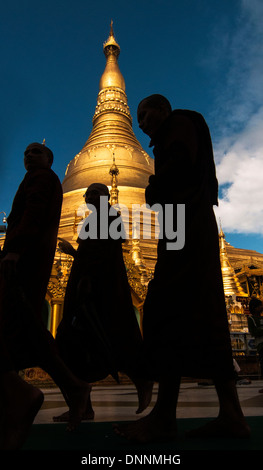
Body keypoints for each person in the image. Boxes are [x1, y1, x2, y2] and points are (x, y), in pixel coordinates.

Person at [114, 94, 250, 442]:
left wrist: (153, 189)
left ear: (164, 109)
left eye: (146, 114)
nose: (142, 122)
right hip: (184, 226)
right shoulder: (175, 133)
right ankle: (230, 414)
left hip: (184, 228)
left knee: (165, 311)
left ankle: (165, 416)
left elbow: (175, 177)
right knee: (201, 317)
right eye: (139, 117)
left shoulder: (178, 126)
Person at [0, 142, 89, 432]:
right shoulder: (42, 179)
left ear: (51, 161)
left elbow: (34, 214)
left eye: (36, 152)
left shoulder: (41, 179)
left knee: (19, 324)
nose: (28, 155)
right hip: (32, 260)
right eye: (25, 152)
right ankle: (72, 388)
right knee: (28, 330)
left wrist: (13, 248)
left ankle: (25, 395)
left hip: (23, 260)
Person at [54, 183, 153, 422]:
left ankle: (141, 379)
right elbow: (93, 253)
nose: (89, 196)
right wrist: (74, 254)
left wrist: (87, 279)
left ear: (107, 196)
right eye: (87, 193)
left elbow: (102, 255)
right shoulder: (96, 219)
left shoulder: (109, 217)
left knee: (108, 337)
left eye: (96, 192)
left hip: (98, 289)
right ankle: (83, 406)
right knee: (76, 344)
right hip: (89, 282)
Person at [247, 297, 263, 391]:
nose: (261, 307)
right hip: (261, 345)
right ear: (255, 308)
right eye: (260, 306)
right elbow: (253, 332)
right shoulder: (251, 319)